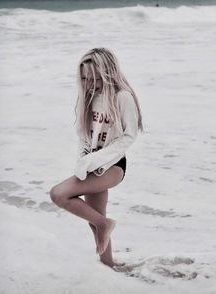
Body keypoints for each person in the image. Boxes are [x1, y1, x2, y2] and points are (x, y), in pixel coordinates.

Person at [49, 47, 143, 271]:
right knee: (95, 221)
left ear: (108, 73)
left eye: (94, 78)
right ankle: (110, 270)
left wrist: (96, 160)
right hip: (91, 162)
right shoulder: (88, 96)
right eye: (84, 77)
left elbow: (129, 136)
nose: (89, 83)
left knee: (58, 194)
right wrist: (83, 160)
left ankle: (105, 224)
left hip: (112, 166)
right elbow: (83, 135)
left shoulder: (122, 96)